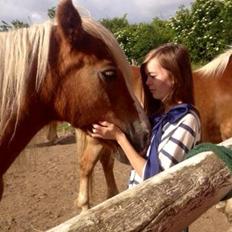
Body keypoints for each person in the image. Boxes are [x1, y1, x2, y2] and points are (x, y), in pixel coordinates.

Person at [90, 43, 201, 193]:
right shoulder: (160, 115)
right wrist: (110, 136)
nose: (147, 83)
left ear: (174, 77)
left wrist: (119, 137)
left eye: (153, 76)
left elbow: (155, 178)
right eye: (147, 76)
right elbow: (137, 160)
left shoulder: (186, 119)